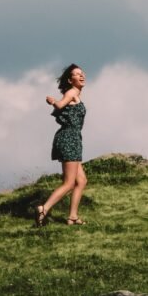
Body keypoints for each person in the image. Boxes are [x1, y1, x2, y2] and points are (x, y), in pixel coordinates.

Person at [35, 64, 88, 226]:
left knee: (82, 181)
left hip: (73, 138)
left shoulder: (76, 93)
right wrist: (53, 101)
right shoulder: (72, 92)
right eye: (77, 74)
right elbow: (59, 105)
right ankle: (44, 208)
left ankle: (72, 216)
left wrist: (55, 102)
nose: (81, 75)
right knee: (69, 182)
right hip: (69, 138)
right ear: (70, 80)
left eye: (82, 73)